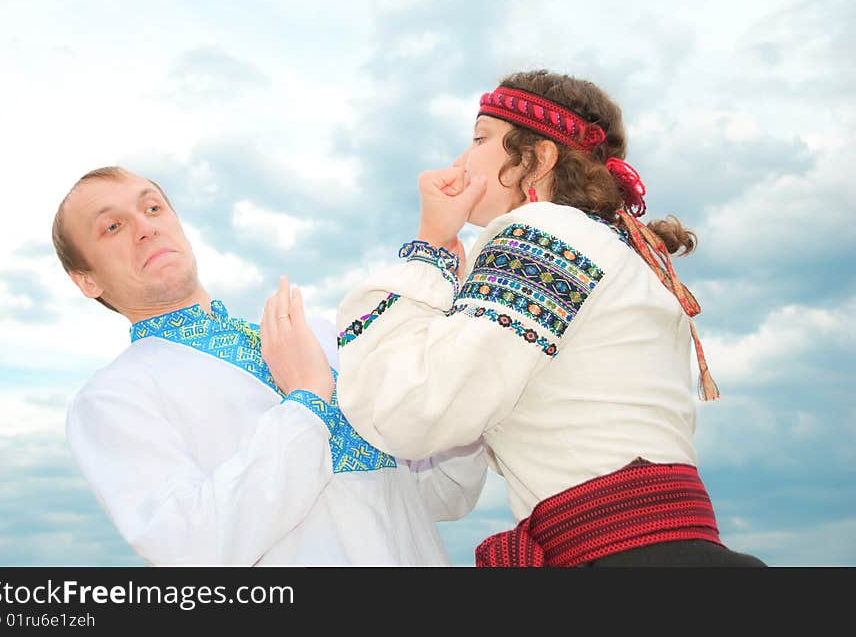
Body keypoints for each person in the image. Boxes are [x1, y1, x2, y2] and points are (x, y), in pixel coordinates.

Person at [322, 69, 766, 566]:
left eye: (479, 139)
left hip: (615, 557)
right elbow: (456, 440)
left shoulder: (543, 232)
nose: (460, 160)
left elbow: (412, 409)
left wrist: (429, 248)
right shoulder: (623, 252)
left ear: (539, 158)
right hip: (673, 551)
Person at [52, 165, 487, 566]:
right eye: (112, 227)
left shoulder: (317, 334)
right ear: (86, 280)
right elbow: (192, 547)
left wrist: (451, 347)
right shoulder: (112, 397)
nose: (145, 228)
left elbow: (441, 493)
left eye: (152, 208)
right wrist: (307, 403)